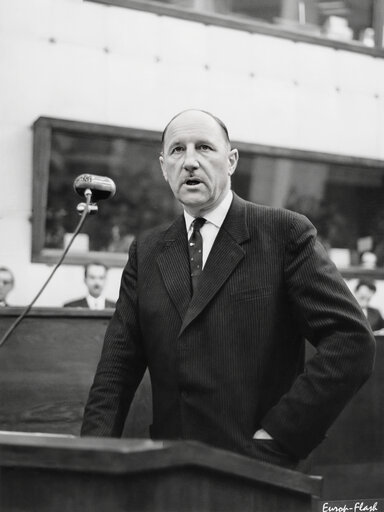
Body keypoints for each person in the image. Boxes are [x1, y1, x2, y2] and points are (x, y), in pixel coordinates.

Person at [81, 109, 375, 469]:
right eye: (177, 150)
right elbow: (116, 369)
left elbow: (351, 342)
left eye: (204, 148)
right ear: (163, 166)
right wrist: (89, 462)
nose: (190, 162)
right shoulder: (147, 252)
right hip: (171, 474)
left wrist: (279, 437)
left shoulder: (284, 234)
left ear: (231, 160)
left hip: (256, 473)